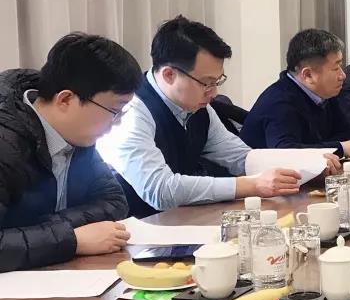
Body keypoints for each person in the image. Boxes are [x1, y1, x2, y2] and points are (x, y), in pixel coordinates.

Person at [97, 16, 302, 218]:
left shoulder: (198, 106)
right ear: (169, 75)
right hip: (138, 227)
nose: (213, 93)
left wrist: (303, 166)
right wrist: (250, 185)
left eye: (217, 82)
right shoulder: (130, 112)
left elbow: (239, 157)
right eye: (206, 83)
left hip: (185, 218)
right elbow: (160, 190)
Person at [0, 34, 141, 271]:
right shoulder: (6, 144)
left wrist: (51, 230)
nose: (117, 123)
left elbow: (114, 201)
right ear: (65, 99)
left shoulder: (79, 138)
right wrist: (71, 239)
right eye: (114, 111)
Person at [241, 29, 350, 165]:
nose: (343, 75)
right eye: (336, 68)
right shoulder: (279, 102)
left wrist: (329, 149)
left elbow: (347, 135)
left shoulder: (325, 92)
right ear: (308, 75)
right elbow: (284, 152)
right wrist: (339, 148)